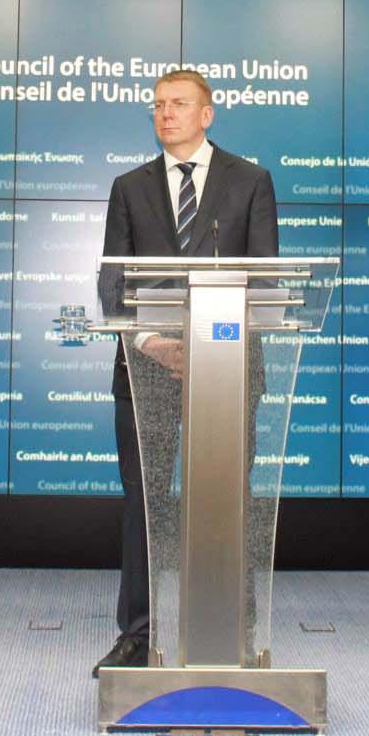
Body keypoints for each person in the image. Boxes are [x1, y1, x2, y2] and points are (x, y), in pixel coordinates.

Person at [94, 69, 279, 676]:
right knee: (144, 503)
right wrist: (151, 343)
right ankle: (137, 635)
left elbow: (266, 283)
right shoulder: (129, 187)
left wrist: (206, 346)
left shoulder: (250, 182)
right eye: (157, 105)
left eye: (178, 103)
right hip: (145, 370)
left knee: (230, 500)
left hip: (226, 370)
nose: (165, 113)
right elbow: (113, 283)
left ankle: (237, 631)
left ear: (207, 114)